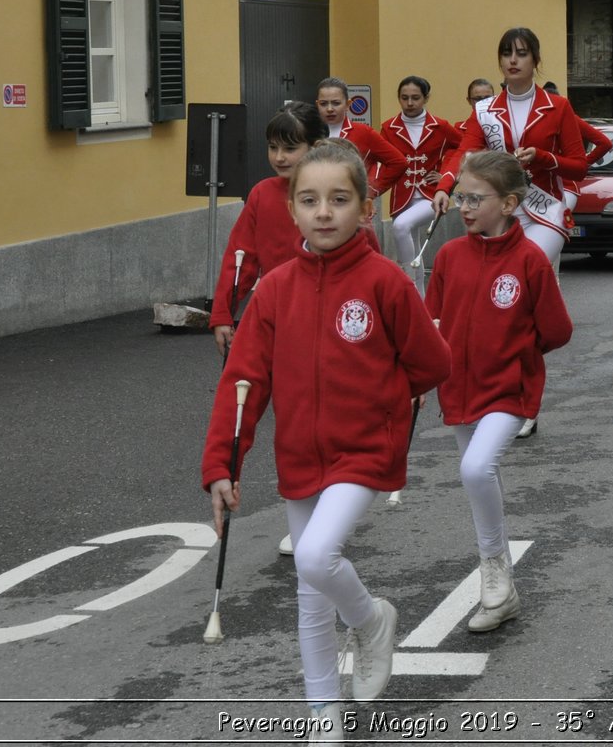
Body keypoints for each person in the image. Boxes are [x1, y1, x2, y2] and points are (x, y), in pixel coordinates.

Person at [202, 140, 452, 738]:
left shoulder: (387, 282)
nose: (323, 212)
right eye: (309, 200)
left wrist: (389, 401)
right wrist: (222, 463)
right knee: (310, 596)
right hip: (300, 455)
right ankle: (323, 720)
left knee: (316, 558)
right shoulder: (275, 291)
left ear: (365, 208)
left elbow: (430, 363)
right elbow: (243, 382)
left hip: (365, 450)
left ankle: (369, 623)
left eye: (339, 200)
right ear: (291, 210)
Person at [425, 150, 572, 632]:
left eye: (474, 198)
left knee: (475, 467)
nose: (463, 207)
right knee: (477, 479)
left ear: (509, 203)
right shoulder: (448, 256)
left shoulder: (530, 259)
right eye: (461, 197)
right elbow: (433, 321)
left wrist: (516, 353)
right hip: (458, 390)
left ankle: (493, 568)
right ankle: (503, 589)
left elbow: (557, 329)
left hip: (510, 390)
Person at [433, 27, 589, 439]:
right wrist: (444, 187)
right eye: (506, 53)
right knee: (497, 304)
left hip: (544, 211)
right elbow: (462, 150)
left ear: (537, 60)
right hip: (499, 210)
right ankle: (503, 392)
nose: (513, 60)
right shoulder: (486, 110)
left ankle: (523, 397)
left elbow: (579, 165)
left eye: (522, 53)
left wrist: (544, 157)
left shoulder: (557, 107)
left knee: (520, 287)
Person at [210, 101, 327, 356]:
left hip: (329, 311)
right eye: (273, 147)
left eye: (290, 148)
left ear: (315, 146)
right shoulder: (262, 194)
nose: (279, 157)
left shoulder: (336, 194)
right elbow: (240, 258)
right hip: (275, 311)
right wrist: (223, 312)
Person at [380, 76, 464, 283]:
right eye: (404, 98)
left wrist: (446, 175)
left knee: (400, 226)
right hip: (402, 196)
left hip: (431, 195)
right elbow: (379, 158)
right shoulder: (389, 127)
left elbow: (462, 148)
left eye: (415, 98)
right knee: (413, 245)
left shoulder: (440, 126)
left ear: (426, 98)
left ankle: (406, 283)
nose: (409, 103)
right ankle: (419, 303)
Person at [314, 78, 405, 203]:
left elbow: (398, 162)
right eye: (324, 104)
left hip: (353, 204)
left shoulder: (363, 132)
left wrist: (372, 190)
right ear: (317, 104)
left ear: (348, 104)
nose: (329, 109)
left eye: (336, 103)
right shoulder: (309, 132)